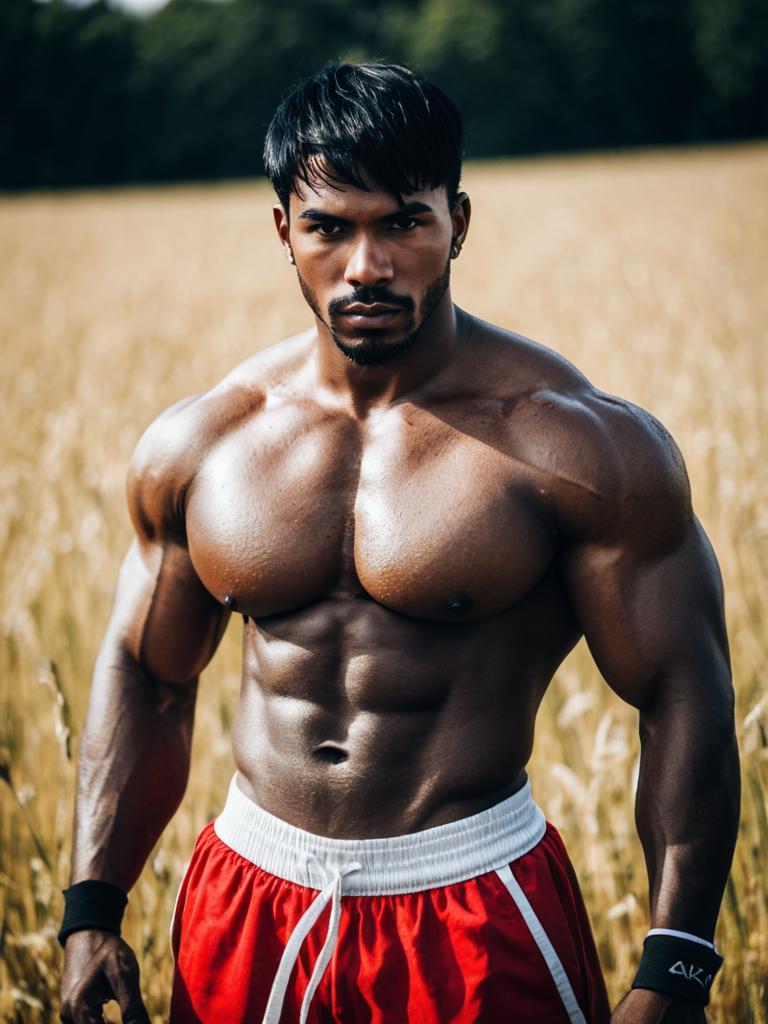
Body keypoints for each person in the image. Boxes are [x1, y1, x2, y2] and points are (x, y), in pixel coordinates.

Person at [59, 62, 739, 1024]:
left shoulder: (574, 443)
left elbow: (684, 691)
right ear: (283, 232)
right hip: (248, 900)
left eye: (403, 222)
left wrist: (675, 970)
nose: (366, 265)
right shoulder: (206, 442)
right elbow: (145, 671)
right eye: (329, 227)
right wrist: (92, 906)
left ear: (458, 221)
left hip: (470, 907)